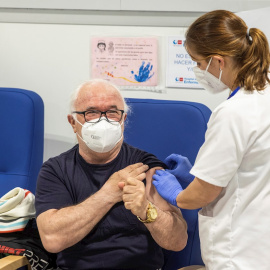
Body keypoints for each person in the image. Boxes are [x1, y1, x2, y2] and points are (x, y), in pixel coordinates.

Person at [153, 9, 270, 270]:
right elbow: (246, 169)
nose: (196, 69)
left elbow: (202, 195)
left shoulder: (233, 113)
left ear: (218, 61)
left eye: (197, 62)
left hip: (238, 251)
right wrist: (196, 176)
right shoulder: (264, 95)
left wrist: (178, 194)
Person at [35, 79, 187, 270]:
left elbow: (178, 241)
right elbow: (52, 239)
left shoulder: (147, 166)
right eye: (91, 112)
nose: (103, 120)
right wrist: (108, 193)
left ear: (123, 120)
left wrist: (146, 210)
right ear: (73, 122)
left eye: (112, 113)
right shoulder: (55, 170)